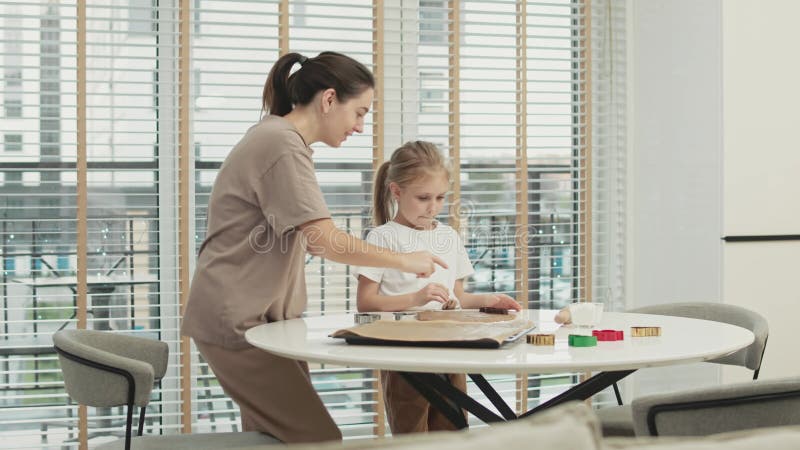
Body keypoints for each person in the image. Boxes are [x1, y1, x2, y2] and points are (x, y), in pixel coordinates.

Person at [181, 52, 447, 444]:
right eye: (358, 112)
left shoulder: (279, 140)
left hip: (256, 319)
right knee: (318, 439)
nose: (359, 126)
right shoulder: (281, 145)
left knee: (271, 438)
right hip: (235, 318)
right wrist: (406, 261)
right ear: (328, 100)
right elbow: (324, 239)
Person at [354, 141, 521, 434]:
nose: (433, 207)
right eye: (423, 198)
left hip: (449, 349)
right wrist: (415, 298)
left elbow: (458, 297)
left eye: (441, 197)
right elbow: (366, 302)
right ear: (396, 191)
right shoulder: (382, 238)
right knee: (413, 436)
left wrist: (488, 300)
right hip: (404, 355)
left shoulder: (448, 236)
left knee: (454, 432)